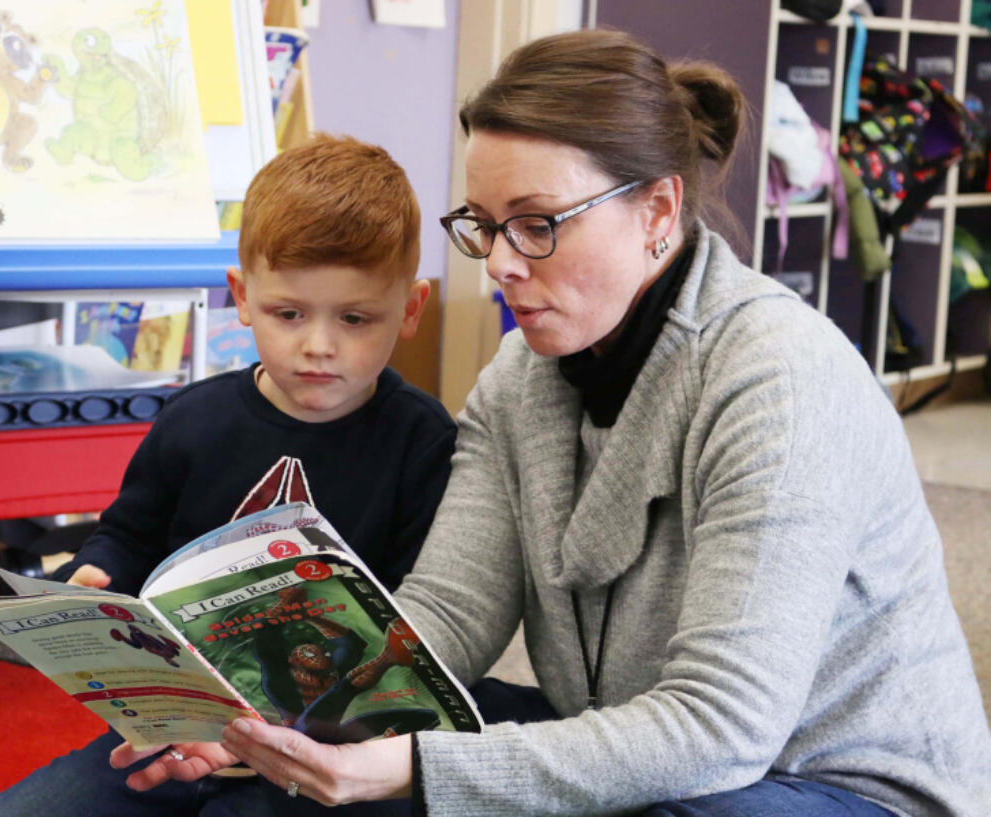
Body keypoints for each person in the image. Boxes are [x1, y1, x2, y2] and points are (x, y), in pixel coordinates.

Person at [132, 28, 991, 816]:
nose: (501, 262)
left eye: (538, 224)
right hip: (637, 734)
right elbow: (451, 614)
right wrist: (271, 717)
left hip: (837, 782)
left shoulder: (781, 380)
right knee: (293, 792)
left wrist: (410, 767)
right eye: (484, 225)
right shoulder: (520, 377)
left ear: (657, 212)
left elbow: (722, 727)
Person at [0, 134, 553, 817]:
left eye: (356, 318)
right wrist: (97, 571)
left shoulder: (424, 443)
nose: (318, 345)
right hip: (182, 731)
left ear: (411, 309)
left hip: (334, 749)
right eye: (288, 313)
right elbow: (128, 535)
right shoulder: (193, 420)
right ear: (242, 296)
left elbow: (425, 617)